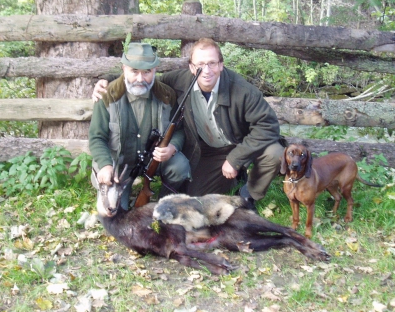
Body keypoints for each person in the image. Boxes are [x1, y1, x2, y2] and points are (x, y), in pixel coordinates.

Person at [92, 38, 284, 208]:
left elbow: (268, 126)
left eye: (212, 63)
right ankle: (232, 180)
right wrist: (108, 81)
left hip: (242, 144)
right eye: (200, 64)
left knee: (274, 153)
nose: (206, 71)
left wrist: (235, 159)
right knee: (194, 201)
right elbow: (144, 80)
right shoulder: (181, 81)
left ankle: (248, 196)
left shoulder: (242, 90)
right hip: (210, 152)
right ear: (191, 67)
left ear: (221, 65)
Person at [89, 42, 190, 209]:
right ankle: (123, 191)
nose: (140, 79)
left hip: (153, 162)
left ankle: (165, 204)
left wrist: (173, 147)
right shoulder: (106, 96)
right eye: (134, 71)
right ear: (124, 68)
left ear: (155, 70)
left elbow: (178, 130)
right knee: (113, 213)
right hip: (118, 166)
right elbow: (96, 137)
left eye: (147, 72)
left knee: (179, 166)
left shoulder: (166, 95)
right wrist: (106, 165)